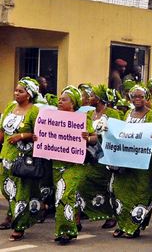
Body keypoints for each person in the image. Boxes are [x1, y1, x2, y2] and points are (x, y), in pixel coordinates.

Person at [34, 85, 97, 245]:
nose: (60, 101)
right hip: (57, 165)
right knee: (61, 197)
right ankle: (70, 223)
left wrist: (86, 138)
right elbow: (44, 136)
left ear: (73, 103)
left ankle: (66, 232)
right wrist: (38, 138)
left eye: (64, 99)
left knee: (64, 195)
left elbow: (95, 138)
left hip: (74, 165)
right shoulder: (52, 118)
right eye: (59, 99)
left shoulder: (82, 118)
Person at [111, 85, 152, 239]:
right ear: (130, 99)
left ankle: (134, 225)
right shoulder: (127, 113)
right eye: (134, 96)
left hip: (143, 161)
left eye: (141, 96)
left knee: (140, 191)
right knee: (121, 190)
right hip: (126, 159)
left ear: (147, 98)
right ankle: (122, 224)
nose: (137, 99)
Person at [0, 77, 40, 241]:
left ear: (29, 95)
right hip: (6, 155)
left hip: (23, 160)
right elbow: (2, 129)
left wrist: (22, 136)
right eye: (16, 90)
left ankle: (19, 227)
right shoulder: (10, 106)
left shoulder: (34, 111)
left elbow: (39, 135)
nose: (16, 93)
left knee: (21, 193)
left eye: (20, 91)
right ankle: (11, 215)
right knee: (6, 189)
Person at [85, 84, 121, 229]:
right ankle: (88, 212)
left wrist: (104, 134)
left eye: (92, 96)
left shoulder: (113, 113)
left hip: (106, 155)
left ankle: (111, 214)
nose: (89, 98)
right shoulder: (88, 114)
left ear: (99, 99)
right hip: (91, 155)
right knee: (86, 184)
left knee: (107, 186)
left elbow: (118, 133)